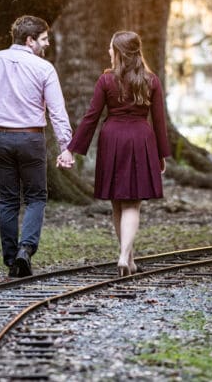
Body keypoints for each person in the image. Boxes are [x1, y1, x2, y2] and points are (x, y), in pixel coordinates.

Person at [58, 30, 171, 276]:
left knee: (118, 203)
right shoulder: (151, 80)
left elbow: (91, 117)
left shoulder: (106, 80)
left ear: (119, 52)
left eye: (111, 48)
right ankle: (126, 259)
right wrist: (161, 154)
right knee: (133, 204)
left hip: (113, 140)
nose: (108, 51)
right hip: (141, 139)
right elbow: (160, 122)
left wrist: (72, 149)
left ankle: (124, 257)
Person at [0, 15, 74, 278]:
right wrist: (66, 146)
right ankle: (24, 250)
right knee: (36, 197)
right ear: (30, 40)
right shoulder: (44, 68)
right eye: (43, 39)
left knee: (7, 199)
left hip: (0, 139)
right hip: (30, 139)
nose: (46, 44)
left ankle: (10, 258)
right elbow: (57, 111)